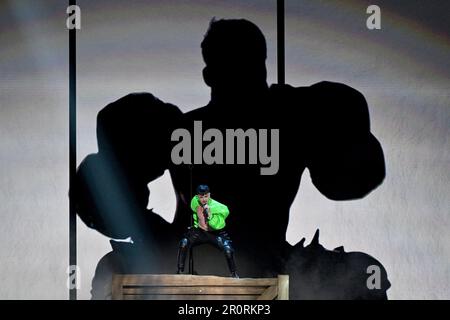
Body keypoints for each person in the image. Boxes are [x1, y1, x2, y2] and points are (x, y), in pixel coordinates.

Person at [177, 185, 238, 278]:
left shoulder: (219, 207)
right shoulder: (195, 201)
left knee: (228, 250)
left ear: (209, 195)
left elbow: (217, 225)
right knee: (184, 243)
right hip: (200, 232)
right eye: (201, 197)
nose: (204, 199)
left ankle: (234, 274)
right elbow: (190, 202)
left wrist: (210, 215)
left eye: (206, 196)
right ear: (198, 197)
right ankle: (179, 272)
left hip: (215, 233)